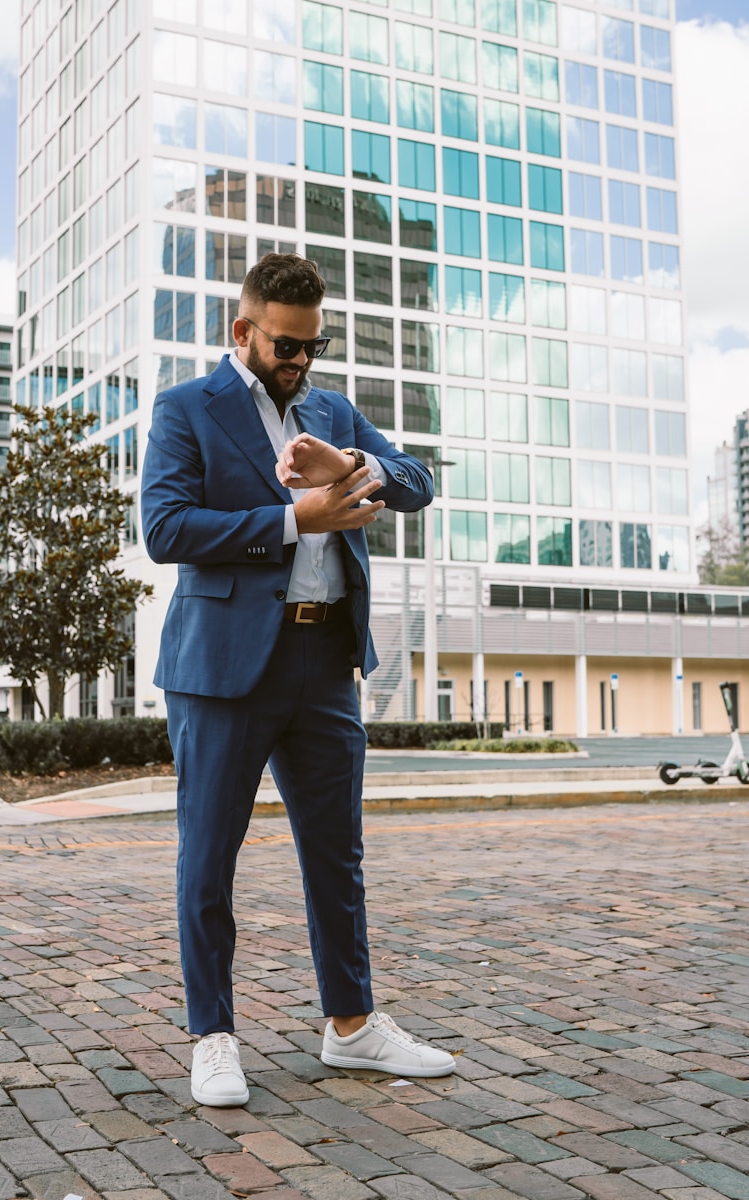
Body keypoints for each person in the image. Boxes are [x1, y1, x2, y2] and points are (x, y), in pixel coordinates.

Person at [141, 253, 455, 1107]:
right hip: (221, 671)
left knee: (337, 856)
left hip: (325, 663)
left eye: (313, 346)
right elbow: (165, 528)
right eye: (286, 345)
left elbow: (419, 481)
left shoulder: (332, 412)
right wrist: (293, 519)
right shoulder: (184, 410)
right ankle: (213, 1036)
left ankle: (351, 1027)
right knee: (208, 860)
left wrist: (353, 466)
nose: (301, 362)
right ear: (241, 331)